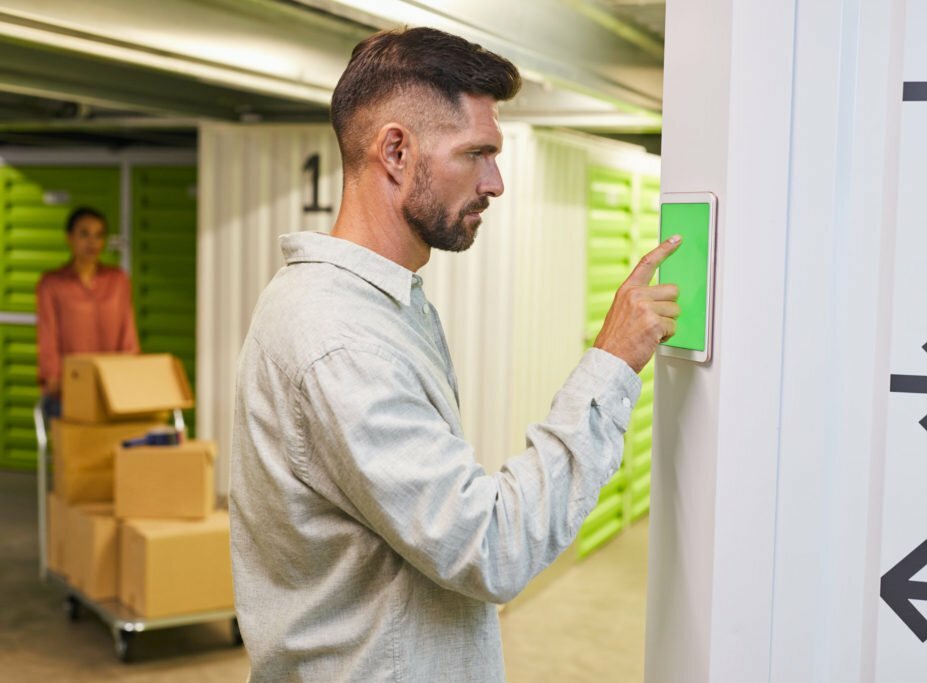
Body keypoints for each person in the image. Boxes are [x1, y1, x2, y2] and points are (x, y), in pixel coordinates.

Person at [230, 27, 681, 682]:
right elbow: (490, 547)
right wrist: (610, 363)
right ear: (395, 151)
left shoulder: (383, 304)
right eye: (477, 153)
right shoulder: (341, 339)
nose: (495, 182)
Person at [36, 207, 139, 418]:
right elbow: (47, 336)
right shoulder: (51, 284)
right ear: (69, 238)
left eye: (99, 235)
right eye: (84, 234)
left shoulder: (118, 280)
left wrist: (131, 374)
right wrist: (53, 380)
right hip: (69, 389)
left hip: (111, 388)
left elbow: (128, 334)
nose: (92, 242)